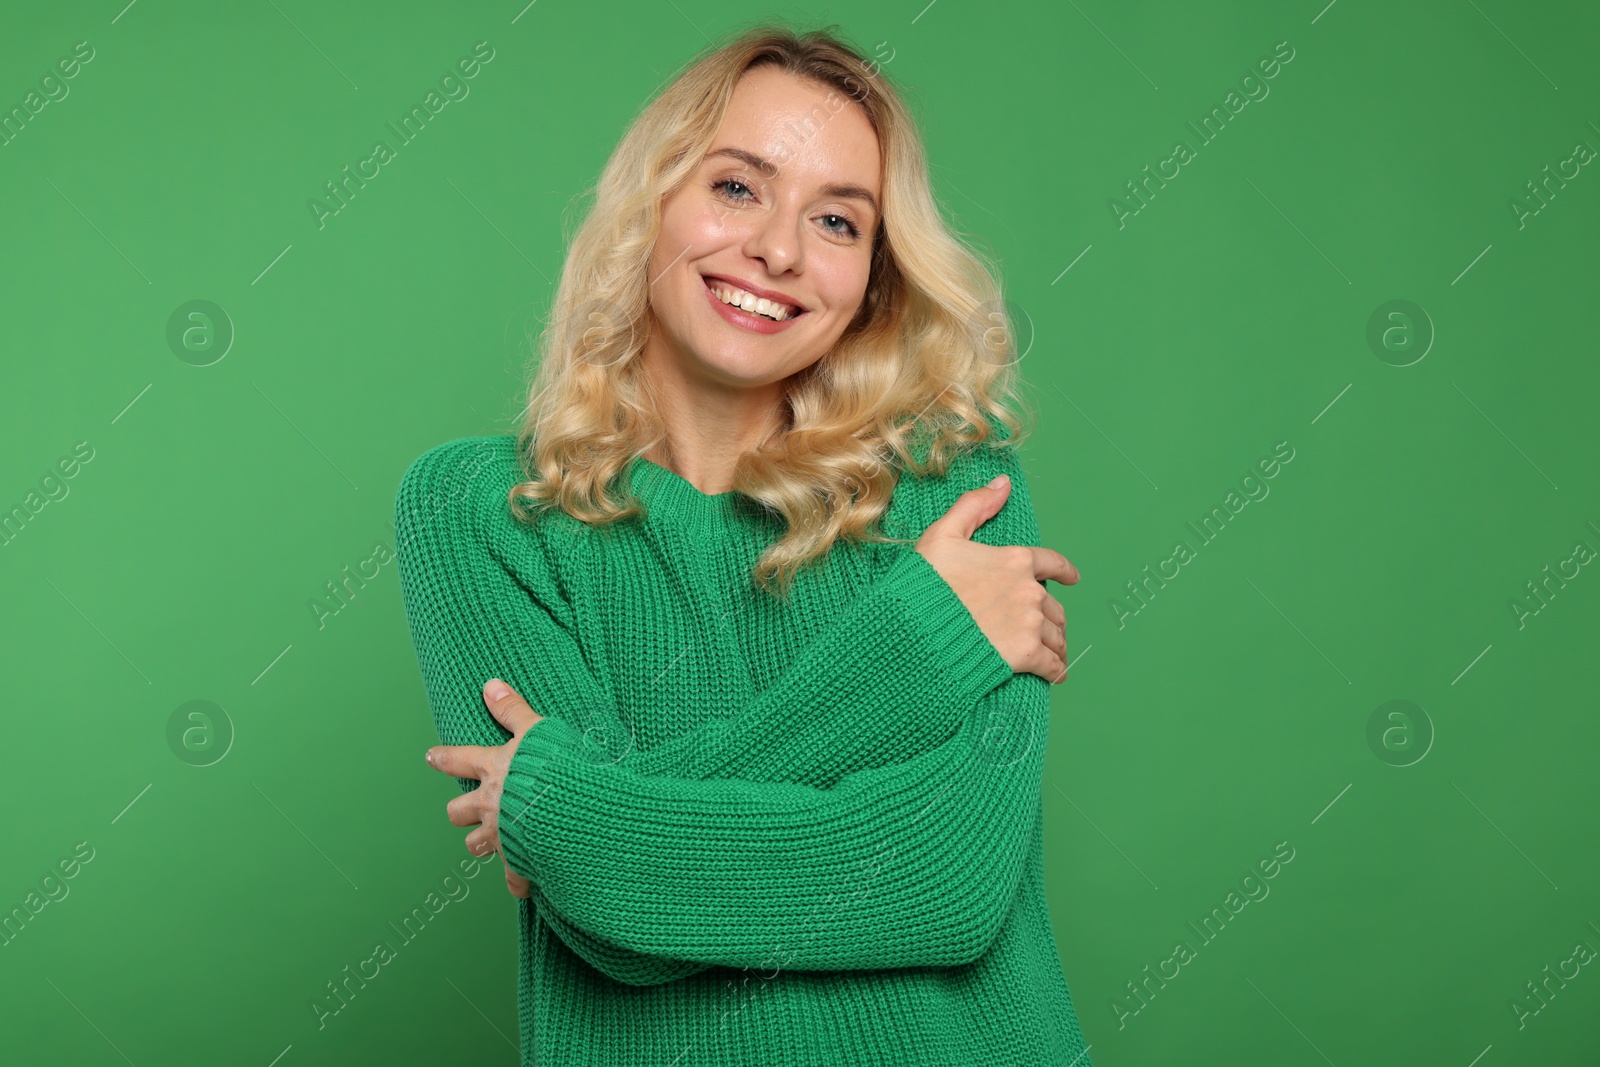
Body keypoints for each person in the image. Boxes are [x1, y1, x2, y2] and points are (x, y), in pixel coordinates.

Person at [394, 22, 1092, 1066]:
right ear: (652, 201)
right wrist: (915, 647)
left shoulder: (951, 483)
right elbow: (602, 915)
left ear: (875, 280)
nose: (778, 250)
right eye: (736, 187)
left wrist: (582, 811)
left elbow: (949, 879)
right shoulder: (484, 510)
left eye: (838, 221)